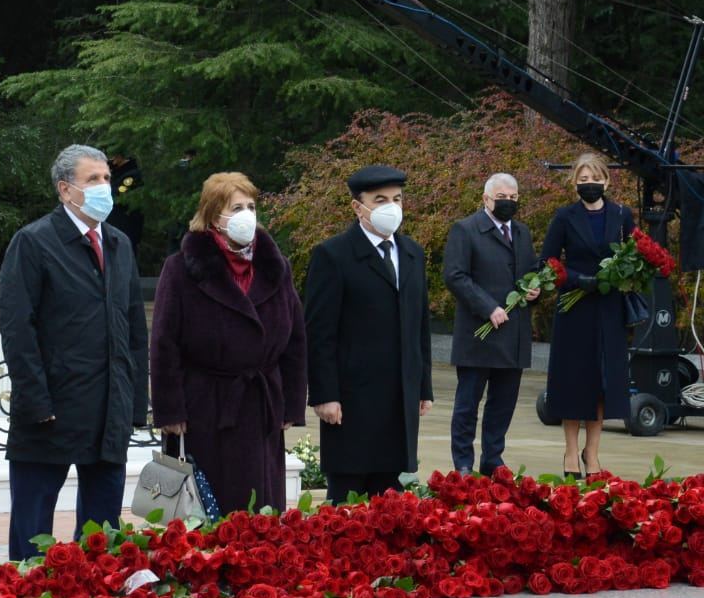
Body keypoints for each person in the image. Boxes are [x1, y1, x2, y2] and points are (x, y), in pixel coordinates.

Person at [0, 144, 148, 561]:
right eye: (94, 180)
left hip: (108, 408)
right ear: (66, 190)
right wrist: (35, 400)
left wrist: (136, 401)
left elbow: (134, 326)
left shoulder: (118, 243)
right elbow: (17, 328)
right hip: (52, 410)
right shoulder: (33, 243)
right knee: (33, 524)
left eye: (107, 179)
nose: (106, 187)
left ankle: (94, 597)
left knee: (102, 532)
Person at [150, 172, 307, 513]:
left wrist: (292, 404)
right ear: (212, 216)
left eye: (251, 206)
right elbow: (164, 342)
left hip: (262, 406)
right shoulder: (180, 270)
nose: (247, 215)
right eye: (236, 208)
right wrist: (169, 409)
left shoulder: (276, 268)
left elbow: (295, 340)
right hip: (206, 406)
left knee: (262, 507)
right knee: (211, 509)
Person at [304, 165, 434, 503]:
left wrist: (423, 386)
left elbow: (420, 325)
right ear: (357, 207)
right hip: (352, 401)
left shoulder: (412, 254)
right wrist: (324, 394)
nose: (391, 207)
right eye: (380, 200)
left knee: (391, 503)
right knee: (347, 504)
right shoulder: (333, 255)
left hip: (399, 401)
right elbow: (319, 332)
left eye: (397, 199)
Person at [539, 153, 633, 479]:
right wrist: (580, 280)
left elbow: (636, 257)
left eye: (594, 178)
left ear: (606, 181)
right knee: (574, 381)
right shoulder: (564, 217)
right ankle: (569, 450)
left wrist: (618, 277)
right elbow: (547, 263)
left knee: (601, 383)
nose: (588, 183)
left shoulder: (622, 215)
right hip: (575, 308)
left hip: (608, 309)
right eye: (582, 178)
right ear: (574, 183)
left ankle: (592, 452)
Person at [443, 173, 540, 476]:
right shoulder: (466, 230)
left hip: (513, 337)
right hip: (479, 336)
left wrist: (535, 289)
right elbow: (455, 276)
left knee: (502, 405)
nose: (508, 202)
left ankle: (493, 459)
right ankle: (462, 463)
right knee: (468, 405)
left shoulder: (522, 233)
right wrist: (488, 307)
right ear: (486, 199)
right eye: (502, 197)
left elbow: (530, 271)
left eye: (513, 197)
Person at [107, 151, 144, 259]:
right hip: (113, 223)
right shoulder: (116, 174)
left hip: (126, 224)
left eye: (112, 157)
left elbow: (118, 194)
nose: (111, 161)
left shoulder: (131, 175)